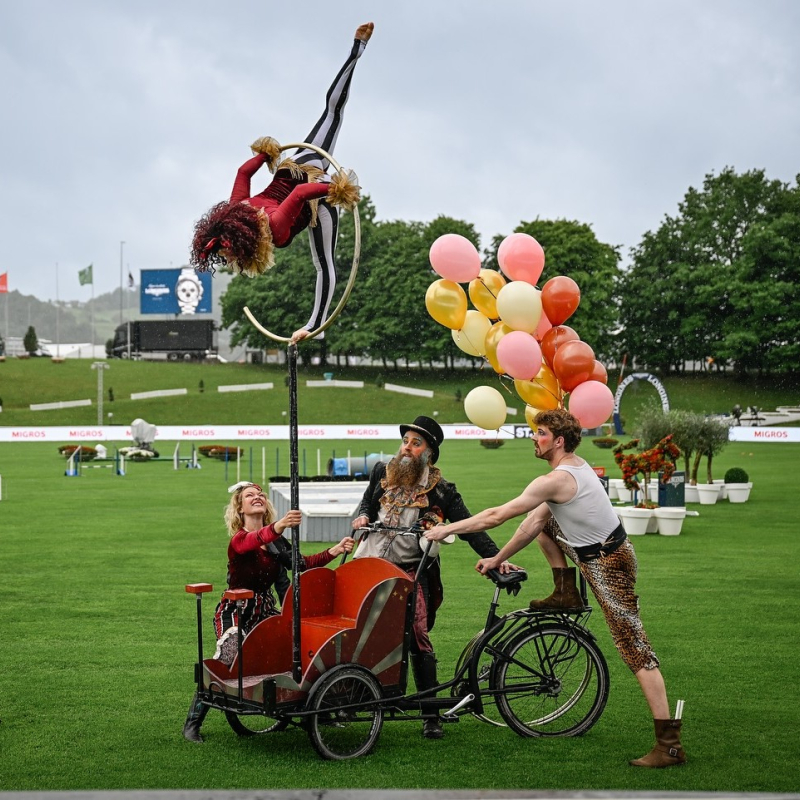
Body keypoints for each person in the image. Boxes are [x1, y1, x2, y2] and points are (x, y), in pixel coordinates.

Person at [424, 408, 687, 768]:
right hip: (592, 551)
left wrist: (446, 529)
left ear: (558, 441)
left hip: (608, 563)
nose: (535, 437)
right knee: (544, 523)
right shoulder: (569, 470)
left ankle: (668, 745)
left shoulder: (558, 480)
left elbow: (497, 515)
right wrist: (497, 558)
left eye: (541, 433)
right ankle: (565, 590)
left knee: (635, 649)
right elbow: (531, 525)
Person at [190, 22, 373, 344]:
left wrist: (336, 188)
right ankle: (357, 49)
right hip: (295, 165)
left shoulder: (273, 226)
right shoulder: (236, 209)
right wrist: (265, 155)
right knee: (332, 113)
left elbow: (303, 193)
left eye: (229, 257)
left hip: (318, 197)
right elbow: (243, 174)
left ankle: (315, 326)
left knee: (324, 263)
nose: (231, 262)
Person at [351, 415, 505, 740]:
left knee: (417, 635)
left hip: (409, 574)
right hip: (367, 567)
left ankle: (430, 713)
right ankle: (362, 699)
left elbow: (471, 528)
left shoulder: (443, 491)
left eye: (415, 443)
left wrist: (494, 559)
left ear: (429, 452)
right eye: (405, 440)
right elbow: (366, 501)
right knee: (357, 632)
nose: (407, 447)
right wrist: (363, 515)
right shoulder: (382, 471)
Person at [183, 481, 354, 743]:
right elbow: (252, 541)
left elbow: (303, 564)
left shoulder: (276, 542)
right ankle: (193, 721)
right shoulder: (239, 539)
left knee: (297, 649)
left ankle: (313, 709)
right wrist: (279, 526)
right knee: (229, 658)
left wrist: (335, 550)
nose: (257, 496)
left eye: (260, 494)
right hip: (235, 611)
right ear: (240, 508)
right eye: (249, 495)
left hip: (265, 610)